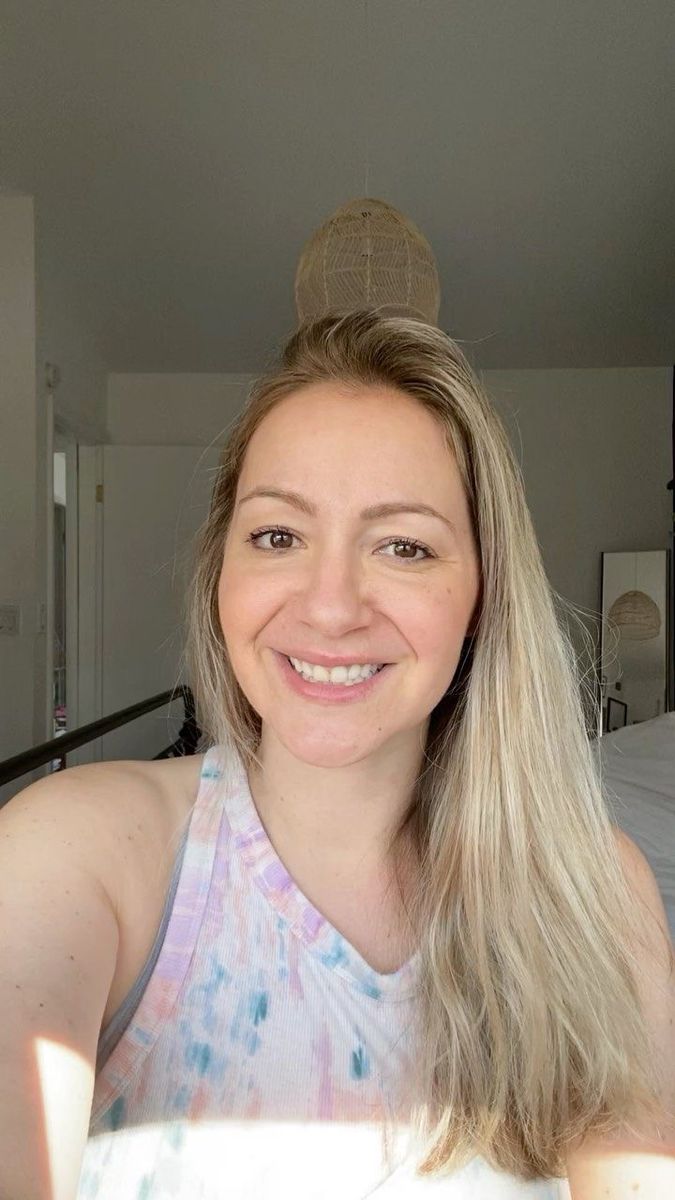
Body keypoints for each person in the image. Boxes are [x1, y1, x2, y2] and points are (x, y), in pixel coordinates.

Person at [2, 310, 673, 1200]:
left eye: (403, 546)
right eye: (278, 535)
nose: (328, 607)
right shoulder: (76, 849)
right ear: (222, 569)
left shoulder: (594, 890)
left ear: (480, 595)